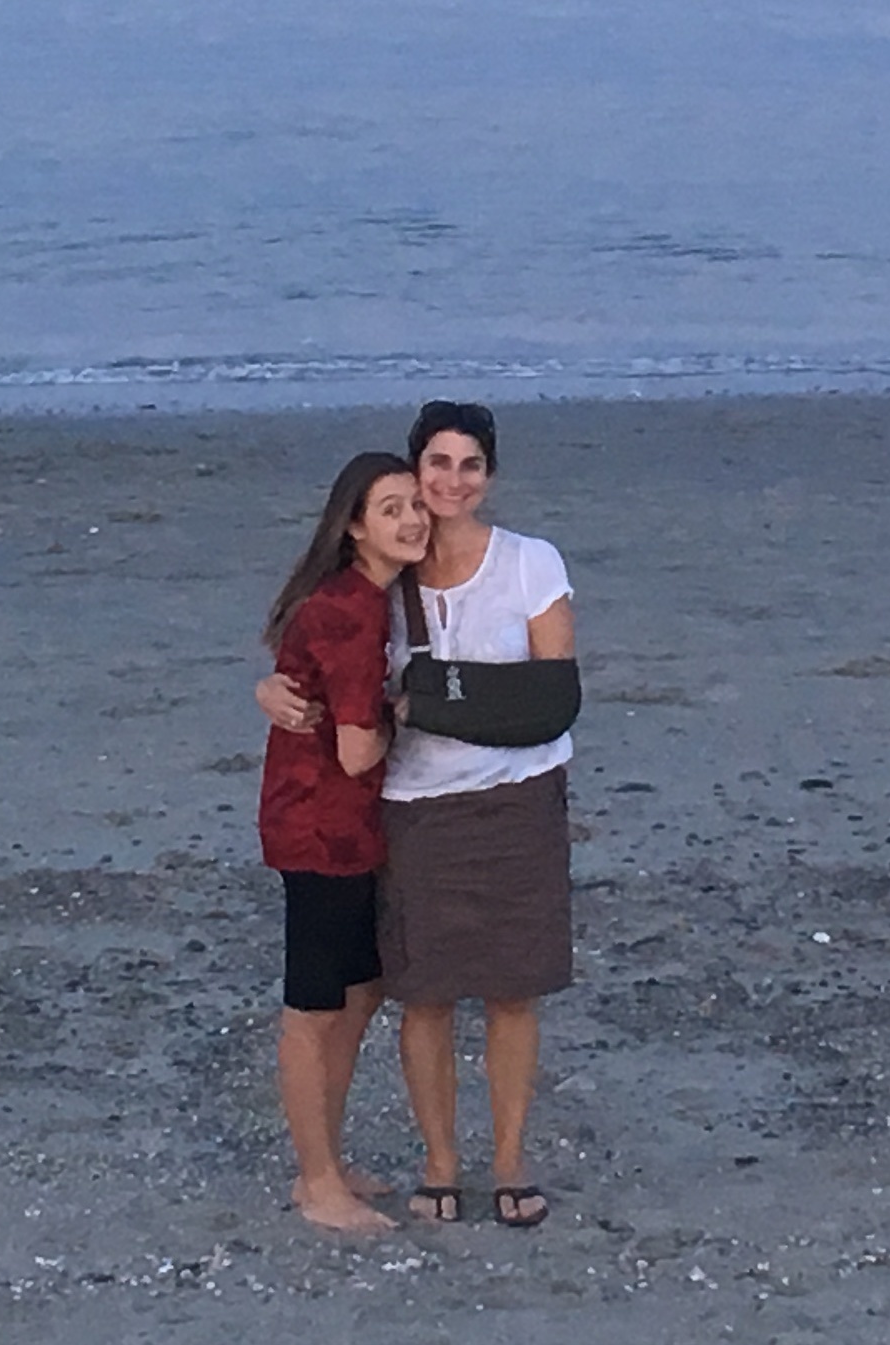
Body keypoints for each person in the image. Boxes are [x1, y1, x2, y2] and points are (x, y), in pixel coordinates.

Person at [257, 400, 576, 1229]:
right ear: (408, 475)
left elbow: (554, 697)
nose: (450, 483)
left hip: (513, 797)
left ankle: (506, 1159)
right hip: (405, 809)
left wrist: (426, 704)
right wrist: (271, 691)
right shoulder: (384, 579)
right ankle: (427, 1163)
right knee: (418, 994)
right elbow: (313, 650)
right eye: (436, 466)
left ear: (490, 476)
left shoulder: (528, 563)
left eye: (470, 466)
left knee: (509, 990)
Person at [253, 451, 428, 1234]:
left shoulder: (373, 598)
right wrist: (406, 710)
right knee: (314, 1006)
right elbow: (358, 748)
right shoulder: (349, 609)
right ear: (354, 525)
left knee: (360, 994)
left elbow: (292, 669)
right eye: (390, 508)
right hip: (318, 827)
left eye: (415, 504)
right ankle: (316, 1179)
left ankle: (326, 1155)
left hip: (356, 828)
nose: (412, 519)